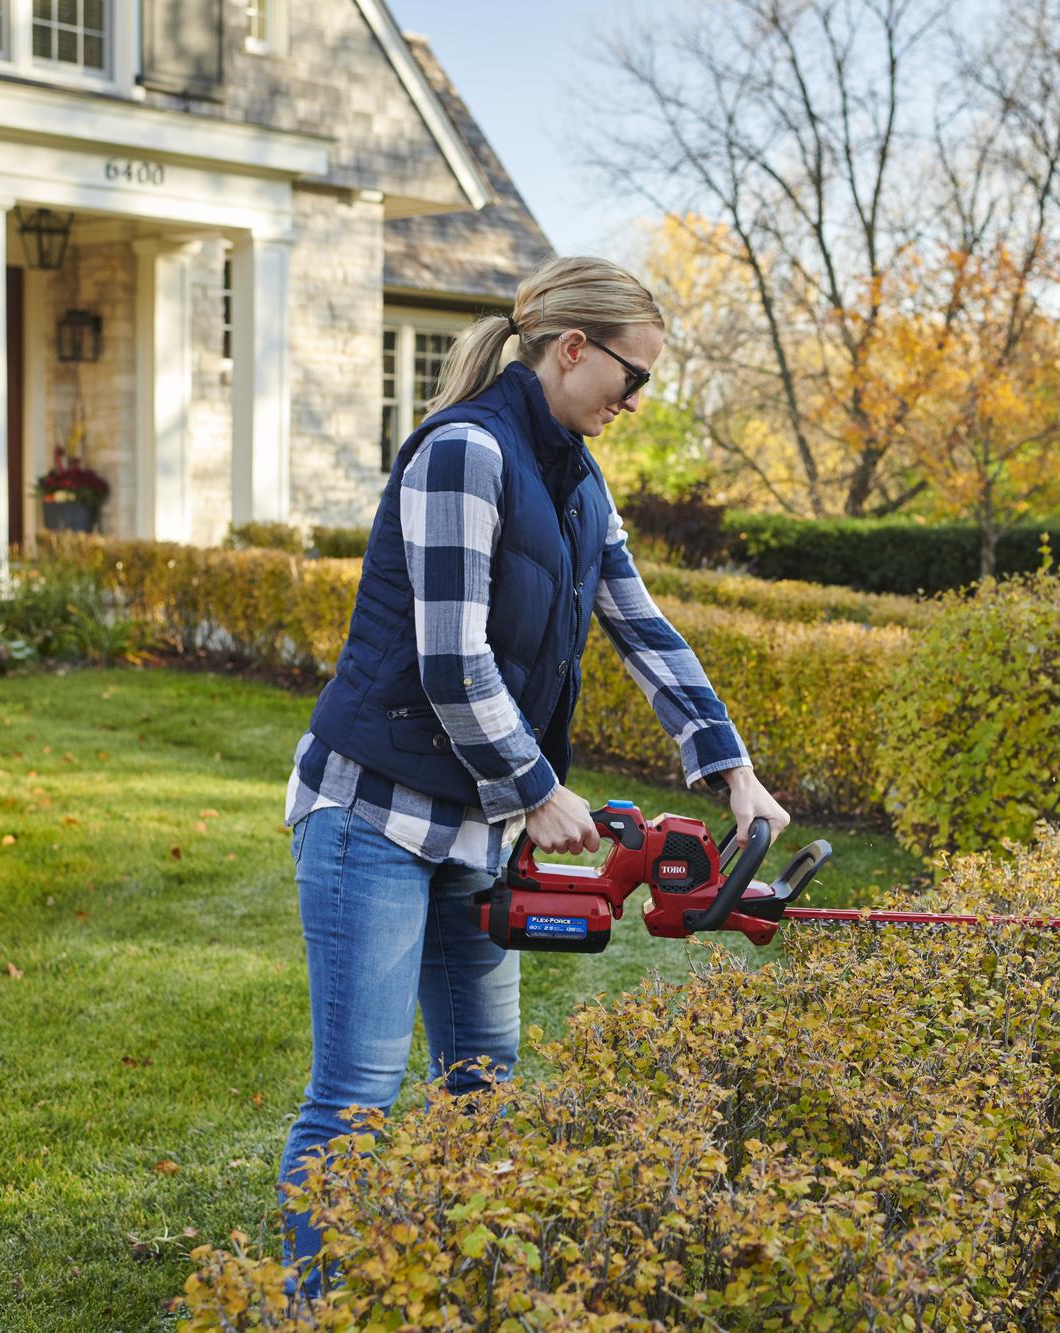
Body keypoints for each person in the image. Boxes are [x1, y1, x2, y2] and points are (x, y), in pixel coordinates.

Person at [276, 255, 791, 1292]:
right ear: (569, 350)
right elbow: (449, 657)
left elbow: (639, 625)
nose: (633, 400)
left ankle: (444, 1293)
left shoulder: (576, 480)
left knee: (481, 1079)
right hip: (371, 813)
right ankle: (314, 1309)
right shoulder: (465, 451)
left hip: (472, 829)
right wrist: (534, 785)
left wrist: (729, 765)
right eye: (629, 377)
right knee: (359, 1097)